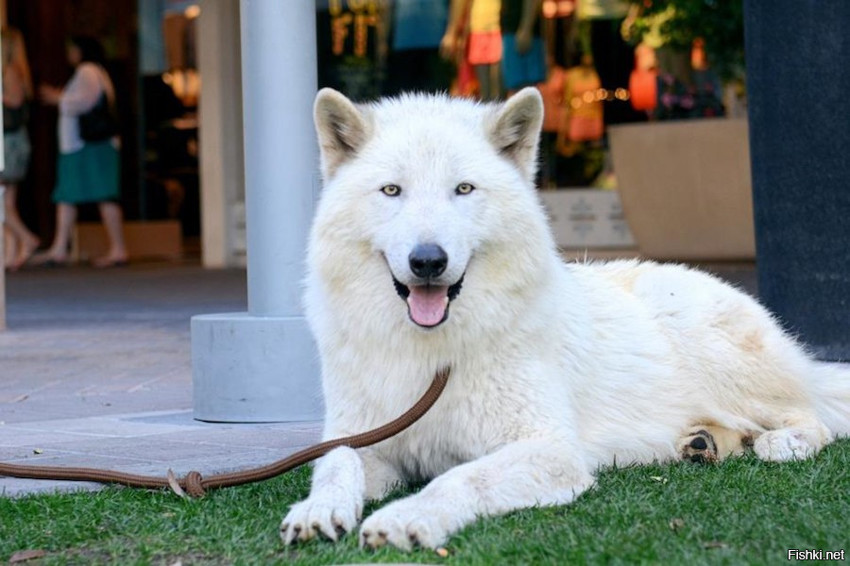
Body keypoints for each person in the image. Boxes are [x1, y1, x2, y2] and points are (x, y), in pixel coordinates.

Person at [34, 35, 128, 268]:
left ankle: (116, 248)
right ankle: (60, 247)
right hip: (84, 146)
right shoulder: (97, 71)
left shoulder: (88, 71)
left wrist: (59, 98)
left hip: (87, 146)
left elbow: (85, 101)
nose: (70, 54)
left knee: (100, 195)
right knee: (68, 195)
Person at [1, 27, 39, 271]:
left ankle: (26, 238)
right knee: (7, 201)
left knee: (3, 201)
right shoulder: (15, 69)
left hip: (10, 142)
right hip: (12, 141)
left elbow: (13, 101)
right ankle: (11, 251)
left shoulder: (11, 71)